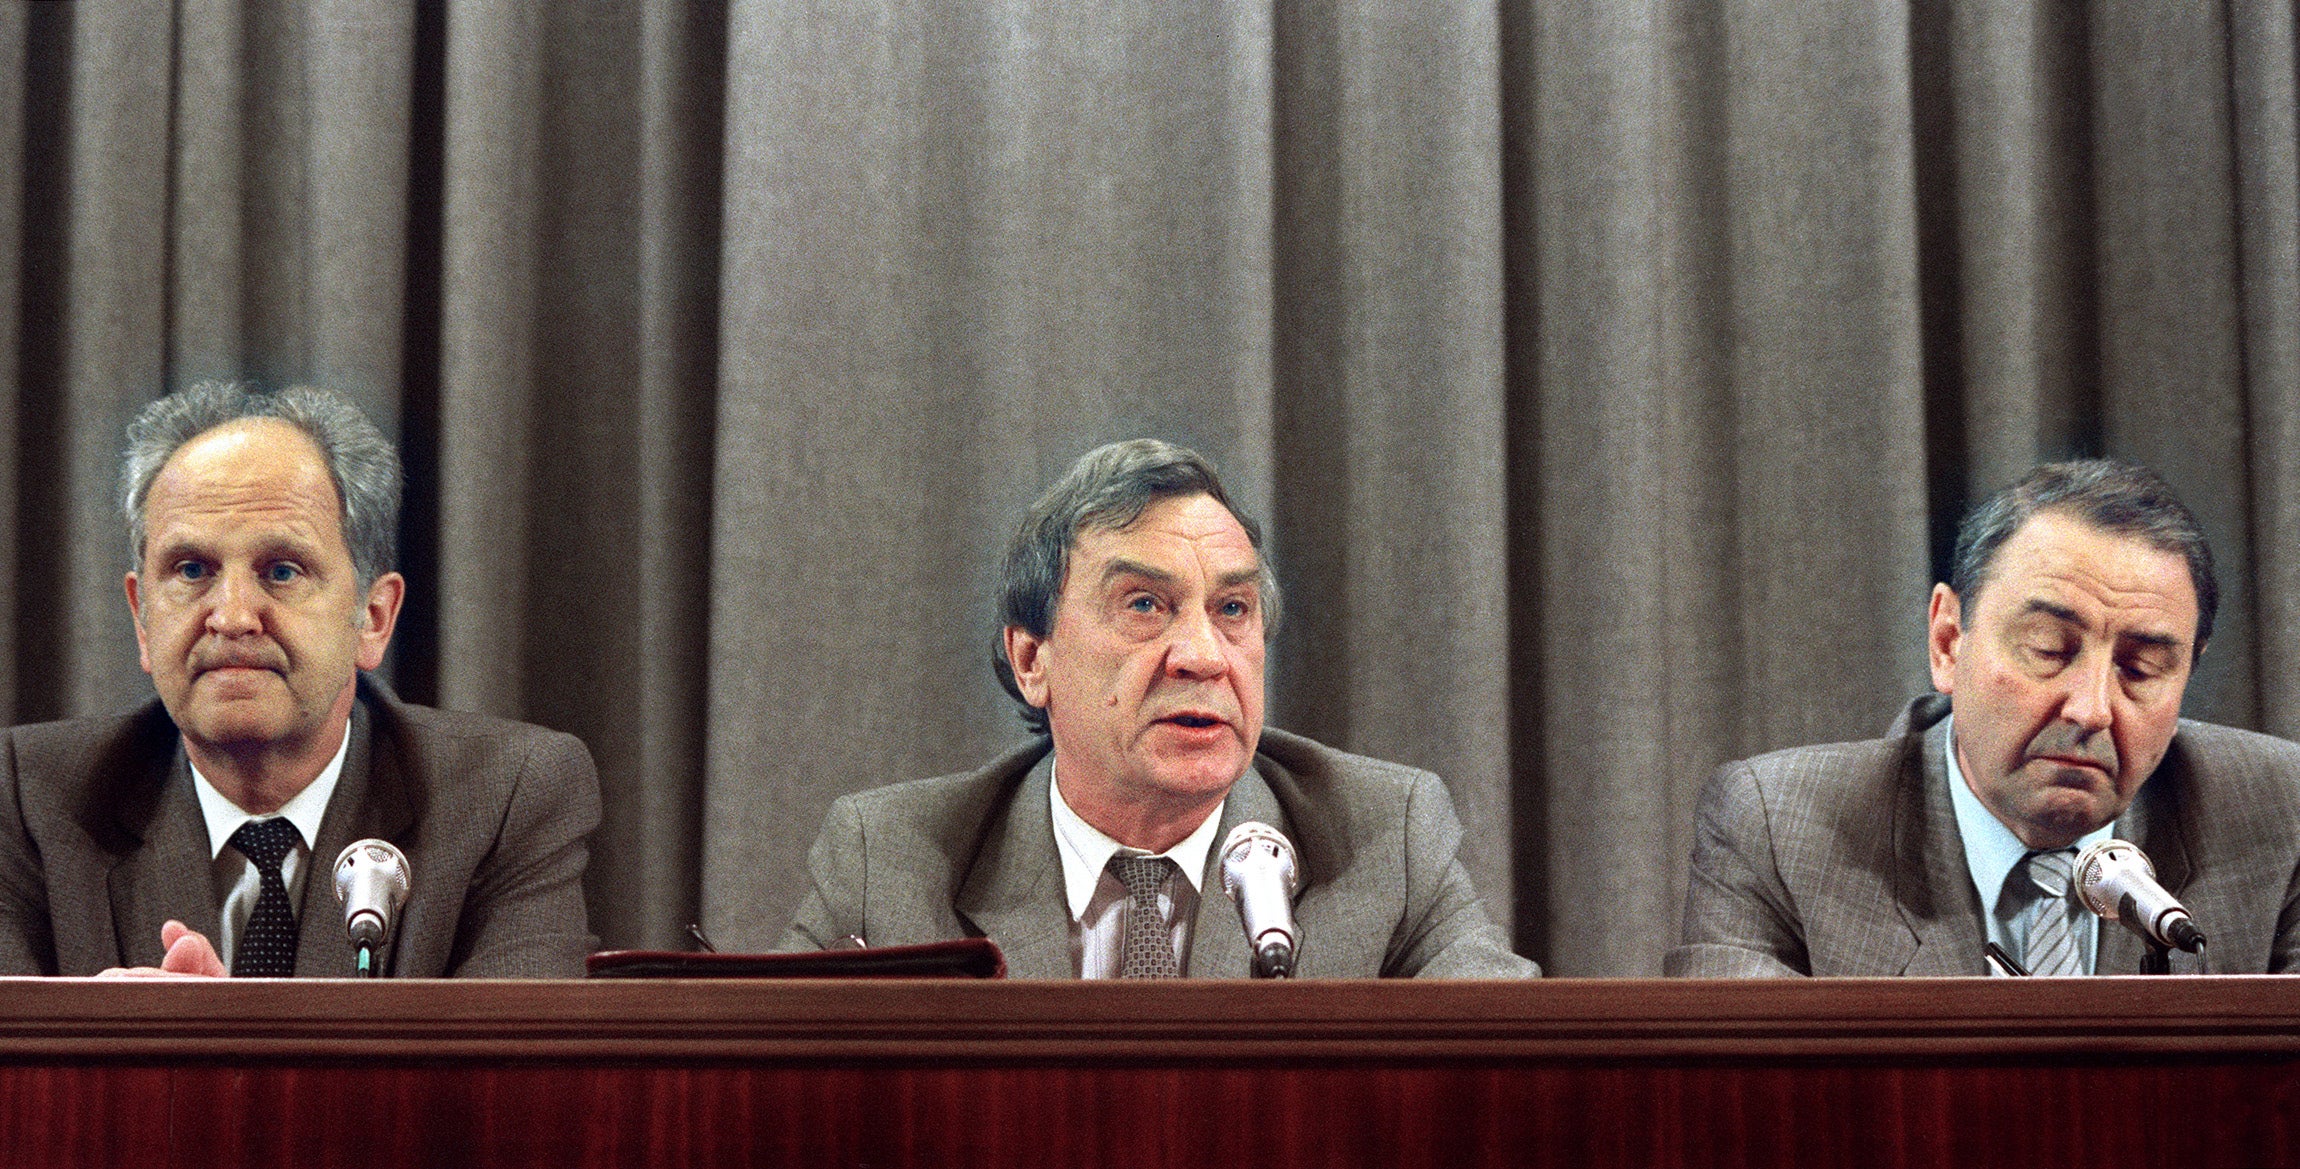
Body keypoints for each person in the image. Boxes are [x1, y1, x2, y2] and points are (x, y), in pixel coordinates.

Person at [779, 439, 1536, 978]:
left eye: (1233, 607)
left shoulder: (1380, 840)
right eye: (1146, 604)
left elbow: (1519, 1075)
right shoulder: (890, 865)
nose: (1204, 655)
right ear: (1032, 658)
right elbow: (756, 1091)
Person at [0, 382, 600, 977]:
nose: (232, 617)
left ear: (373, 617)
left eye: (282, 571)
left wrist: (208, 1059)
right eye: (191, 570)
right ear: (141, 619)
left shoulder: (505, 800)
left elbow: (511, 1072)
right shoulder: (27, 802)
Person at [1670, 459, 2300, 977]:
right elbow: (1740, 1109)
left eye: (2140, 669)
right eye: (2049, 650)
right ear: (1948, 640)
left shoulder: (2279, 814)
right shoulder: (1779, 829)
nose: (2091, 708)